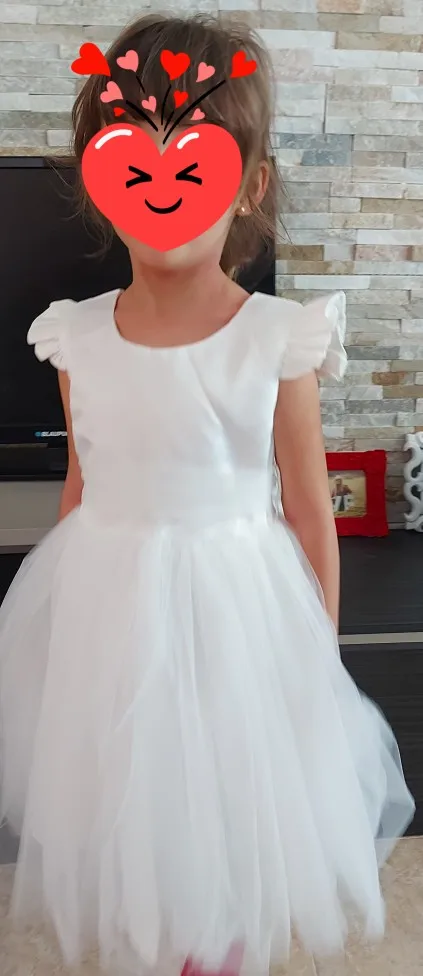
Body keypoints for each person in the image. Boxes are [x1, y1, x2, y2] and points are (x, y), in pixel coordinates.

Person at [0, 13, 414, 976]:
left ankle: (215, 951)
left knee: (226, 803)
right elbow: (81, 488)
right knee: (131, 803)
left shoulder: (274, 339)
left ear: (249, 185)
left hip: (238, 616)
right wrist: (65, 646)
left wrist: (314, 669)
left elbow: (309, 511)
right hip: (110, 612)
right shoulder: (75, 337)